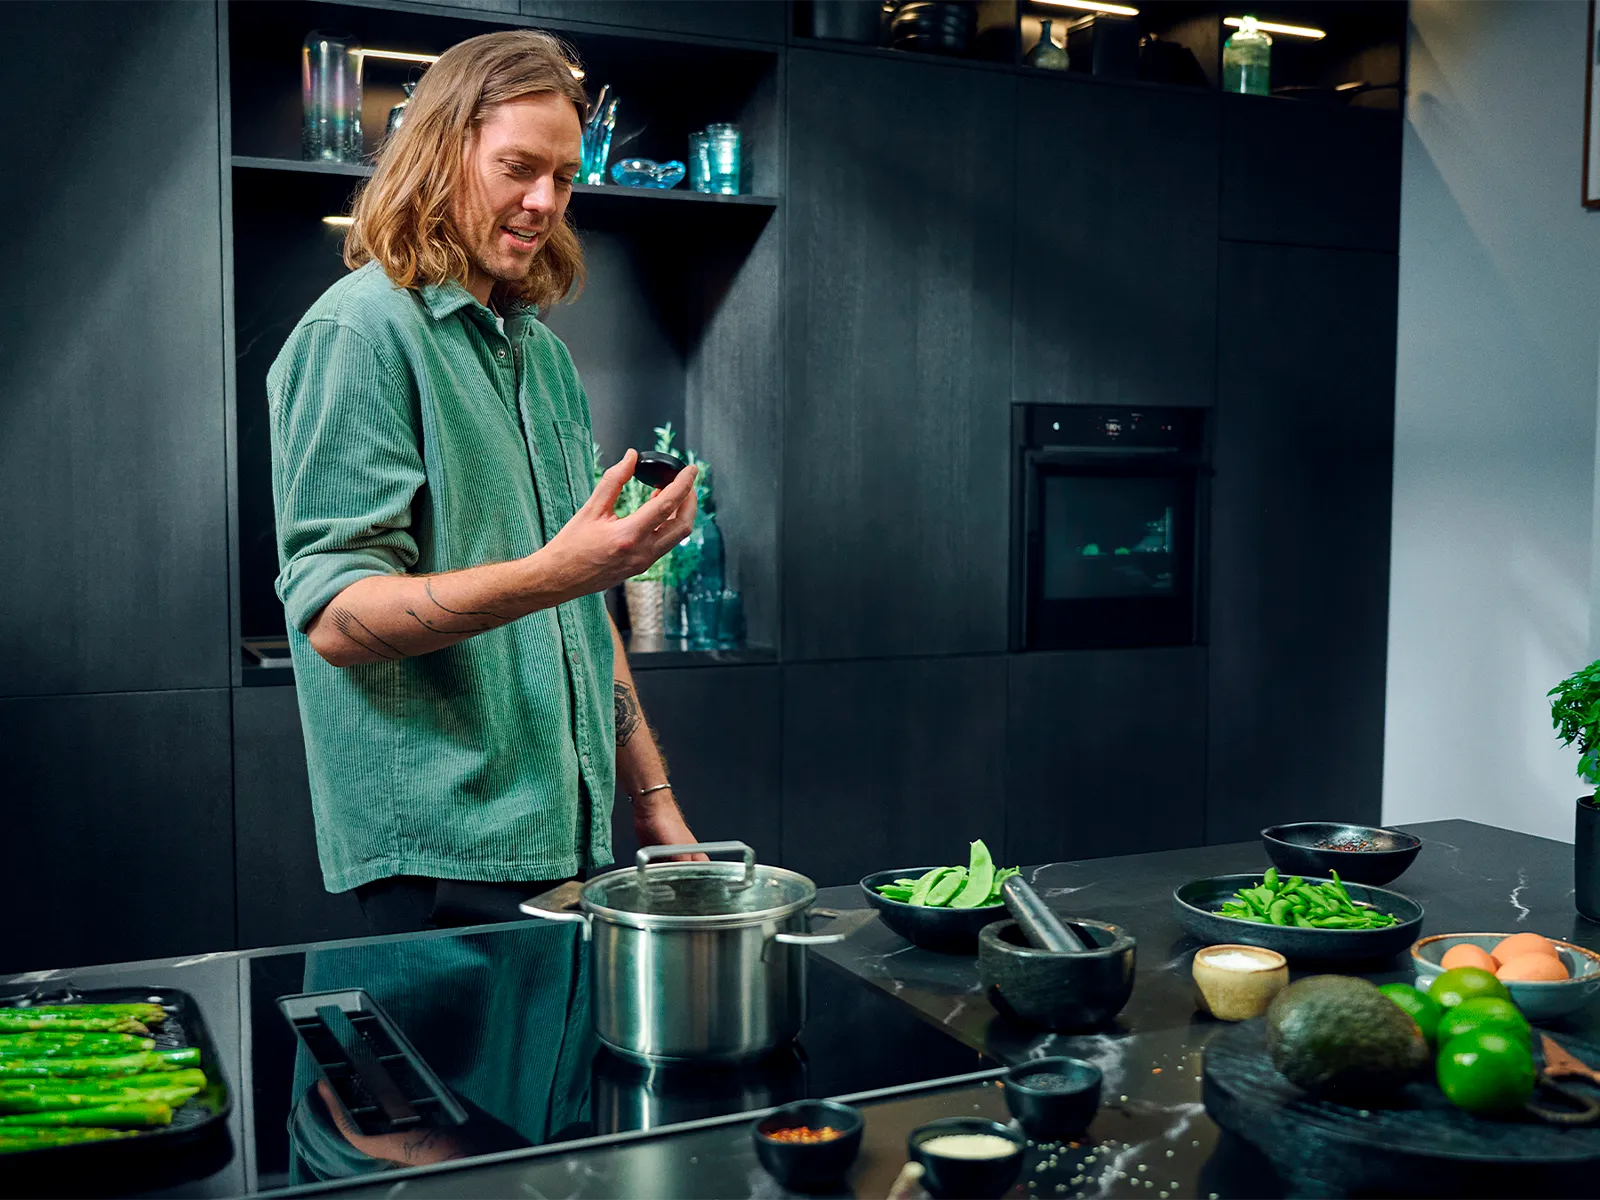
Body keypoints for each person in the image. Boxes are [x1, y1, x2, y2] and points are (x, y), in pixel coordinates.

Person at [266, 29, 700, 935]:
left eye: (565, 178)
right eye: (516, 167)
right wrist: (561, 573)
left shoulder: (537, 354)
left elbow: (578, 607)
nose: (544, 202)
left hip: (565, 846)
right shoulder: (358, 333)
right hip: (437, 860)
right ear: (439, 155)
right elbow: (335, 622)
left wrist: (652, 802)